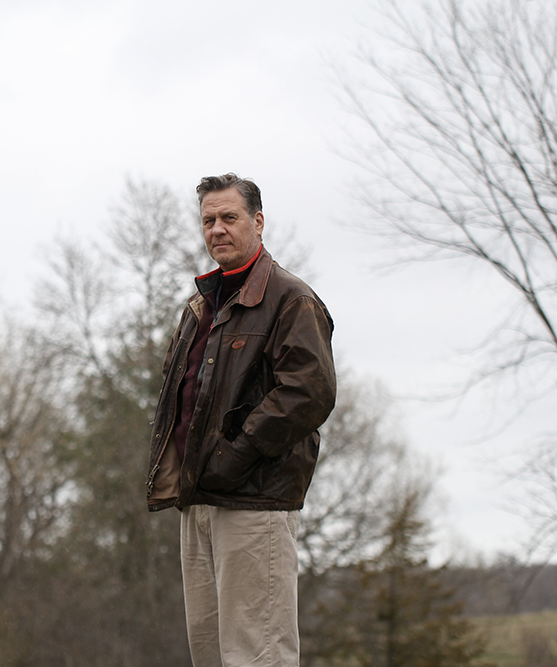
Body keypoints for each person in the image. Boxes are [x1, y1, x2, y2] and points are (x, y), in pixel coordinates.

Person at [146, 173, 336, 666]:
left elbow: (308, 392)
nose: (217, 229)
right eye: (208, 220)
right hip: (199, 502)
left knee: (259, 656)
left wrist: (236, 455)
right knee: (210, 656)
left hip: (254, 504)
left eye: (229, 218)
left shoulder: (291, 299)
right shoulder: (200, 306)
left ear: (257, 222)